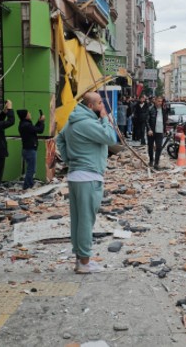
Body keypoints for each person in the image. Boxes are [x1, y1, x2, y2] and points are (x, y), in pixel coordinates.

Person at [56, 92, 116, 274]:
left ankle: (80, 259)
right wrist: (105, 119)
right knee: (86, 222)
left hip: (76, 176)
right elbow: (110, 138)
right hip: (88, 176)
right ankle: (84, 262)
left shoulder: (74, 121)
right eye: (99, 103)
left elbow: (60, 139)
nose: (102, 107)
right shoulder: (87, 123)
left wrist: (69, 159)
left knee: (78, 220)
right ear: (91, 106)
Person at [17, 109, 45, 190]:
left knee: (31, 169)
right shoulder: (26, 125)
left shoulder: (25, 124)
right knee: (31, 169)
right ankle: (27, 186)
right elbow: (40, 130)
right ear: (25, 115)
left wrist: (39, 121)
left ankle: (29, 184)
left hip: (28, 149)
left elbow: (34, 129)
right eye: (28, 113)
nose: (30, 114)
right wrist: (42, 122)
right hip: (29, 150)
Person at [146, 96, 168, 169]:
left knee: (159, 147)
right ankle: (151, 160)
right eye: (158, 101)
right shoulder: (150, 109)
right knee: (150, 147)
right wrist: (149, 129)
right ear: (155, 101)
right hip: (152, 131)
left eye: (161, 101)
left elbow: (165, 121)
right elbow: (147, 120)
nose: (160, 103)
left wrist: (165, 130)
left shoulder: (164, 110)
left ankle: (156, 163)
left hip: (160, 131)